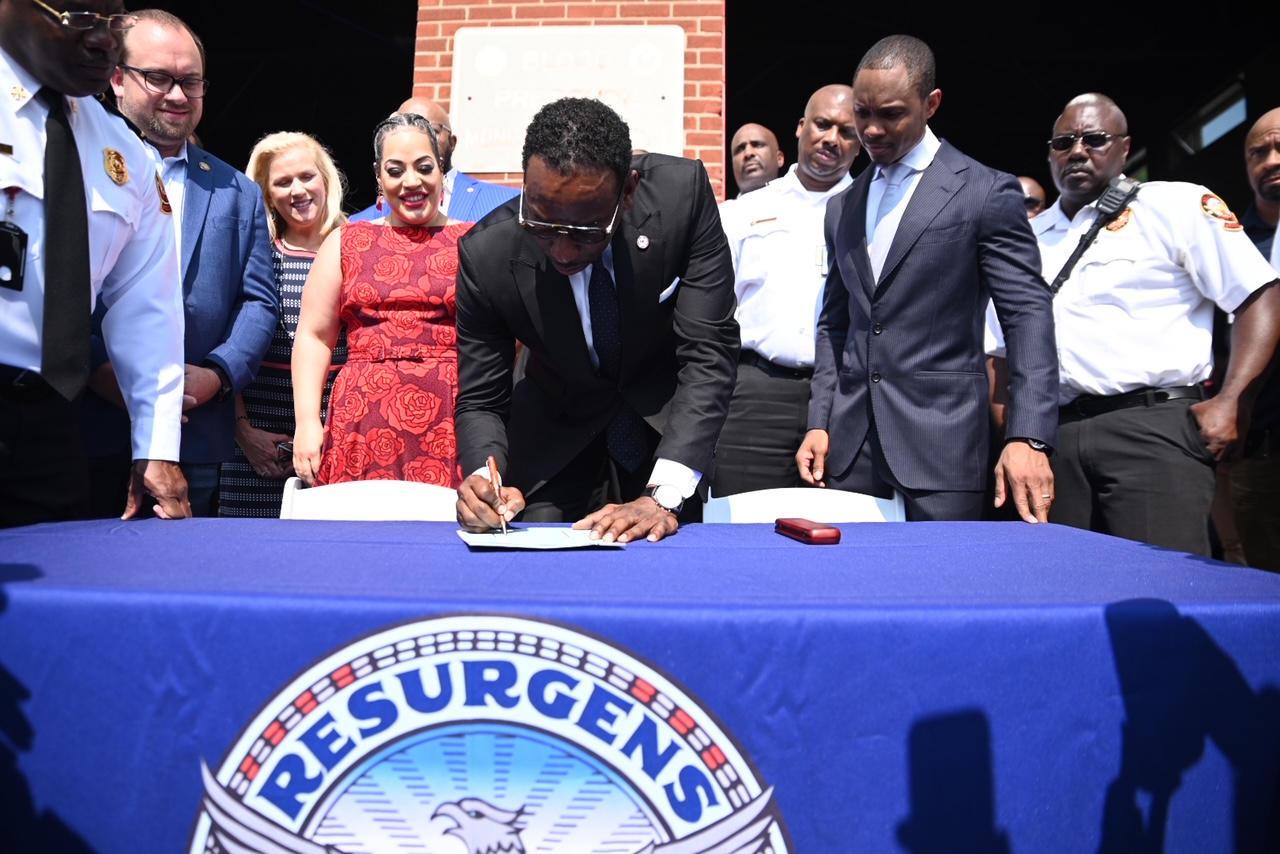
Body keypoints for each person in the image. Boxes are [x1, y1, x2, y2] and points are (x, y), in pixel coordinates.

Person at [988, 94, 1280, 556]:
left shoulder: (1177, 204)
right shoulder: (1023, 238)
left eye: (1095, 139)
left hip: (1153, 429)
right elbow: (998, 354)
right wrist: (1019, 438)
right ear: (1049, 154)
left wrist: (1232, 400)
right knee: (1061, 590)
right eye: (1063, 142)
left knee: (1162, 594)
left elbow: (1258, 296)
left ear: (1125, 148)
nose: (1078, 151)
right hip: (1053, 439)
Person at [454, 97, 739, 543]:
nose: (564, 252)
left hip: (663, 433)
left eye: (586, 232)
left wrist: (664, 496)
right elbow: (481, 399)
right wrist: (483, 480)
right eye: (542, 224)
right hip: (555, 434)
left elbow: (709, 353)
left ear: (627, 192)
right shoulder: (486, 255)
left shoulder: (683, 198)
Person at [797, 35, 1058, 523]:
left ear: (931, 104)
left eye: (891, 113)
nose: (871, 129)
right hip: (849, 451)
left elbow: (1026, 315)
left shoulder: (985, 191)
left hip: (943, 449)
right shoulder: (842, 207)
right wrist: (820, 422)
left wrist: (1028, 435)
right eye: (862, 112)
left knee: (945, 593)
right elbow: (836, 324)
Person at [0, 0, 189, 526]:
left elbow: (148, 310)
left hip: (52, 423)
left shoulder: (125, 155)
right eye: (79, 17)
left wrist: (156, 445)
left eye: (112, 22)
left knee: (51, 596)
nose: (103, 40)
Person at [94, 9, 277, 516]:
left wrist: (217, 375)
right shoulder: (80, 163)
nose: (177, 95)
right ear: (116, 77)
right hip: (89, 421)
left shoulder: (238, 190)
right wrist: (95, 369)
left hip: (194, 430)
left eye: (190, 82)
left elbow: (258, 303)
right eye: (158, 78)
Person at [293, 113, 470, 487]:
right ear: (378, 175)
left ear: (441, 169)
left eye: (424, 167)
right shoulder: (346, 241)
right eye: (395, 170)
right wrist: (307, 422)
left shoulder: (474, 242)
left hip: (452, 415)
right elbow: (314, 336)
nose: (412, 182)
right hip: (361, 417)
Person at [712, 85, 859, 496]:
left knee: (840, 537)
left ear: (861, 143)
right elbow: (713, 310)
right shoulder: (746, 210)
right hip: (755, 396)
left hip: (843, 399)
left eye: (847, 131)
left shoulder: (872, 212)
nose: (831, 138)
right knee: (741, 535)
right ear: (800, 128)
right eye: (822, 124)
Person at [218, 132, 349, 516]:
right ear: (266, 193)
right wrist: (242, 432)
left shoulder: (358, 246)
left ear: (326, 178)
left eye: (307, 176)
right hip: (253, 452)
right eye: (282, 182)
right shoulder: (253, 257)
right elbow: (225, 344)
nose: (298, 190)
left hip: (337, 443)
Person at [1208, 108, 1280, 569]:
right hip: (1261, 450)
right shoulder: (1225, 240)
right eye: (1259, 152)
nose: (1271, 160)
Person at [349, 96, 518, 224]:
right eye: (395, 171)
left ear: (452, 142)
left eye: (432, 129)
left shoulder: (508, 203)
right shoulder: (356, 226)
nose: (416, 135)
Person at [728, 122, 784, 197]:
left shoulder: (800, 204)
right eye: (740, 149)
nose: (748, 153)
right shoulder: (723, 208)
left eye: (757, 145)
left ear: (779, 158)